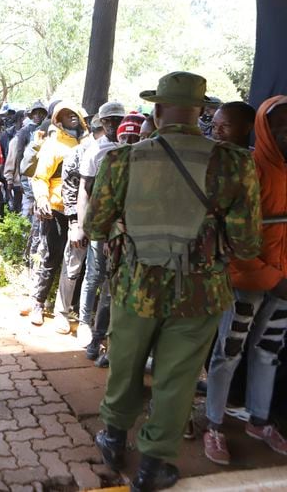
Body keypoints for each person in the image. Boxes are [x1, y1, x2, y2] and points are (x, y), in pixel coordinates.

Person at [88, 72, 261, 491]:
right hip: (199, 293)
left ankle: (112, 438)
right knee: (177, 378)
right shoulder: (235, 163)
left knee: (125, 365)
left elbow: (95, 225)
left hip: (134, 285)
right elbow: (246, 244)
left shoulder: (121, 159)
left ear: (158, 110)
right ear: (201, 111)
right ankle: (151, 468)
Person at [203, 96, 287, 466]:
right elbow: (234, 236)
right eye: (279, 125)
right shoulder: (249, 168)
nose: (286, 133)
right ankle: (214, 425)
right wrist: (270, 276)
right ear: (264, 129)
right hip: (250, 277)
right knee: (228, 351)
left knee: (270, 350)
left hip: (284, 279)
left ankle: (260, 419)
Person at [28, 102, 87, 326]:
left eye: (74, 114)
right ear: (57, 121)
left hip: (80, 212)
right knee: (51, 257)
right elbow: (40, 177)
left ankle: (72, 306)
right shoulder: (53, 145)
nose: (71, 118)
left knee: (76, 262)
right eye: (65, 115)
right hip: (56, 209)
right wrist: (41, 199)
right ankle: (38, 303)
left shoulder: (87, 144)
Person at [72, 102, 126, 346]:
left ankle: (106, 328)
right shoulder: (95, 151)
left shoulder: (131, 147)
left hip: (124, 225)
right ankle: (84, 322)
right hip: (101, 221)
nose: (113, 124)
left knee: (115, 278)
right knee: (95, 274)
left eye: (117, 119)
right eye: (109, 120)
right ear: (101, 123)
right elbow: (84, 190)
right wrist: (82, 225)